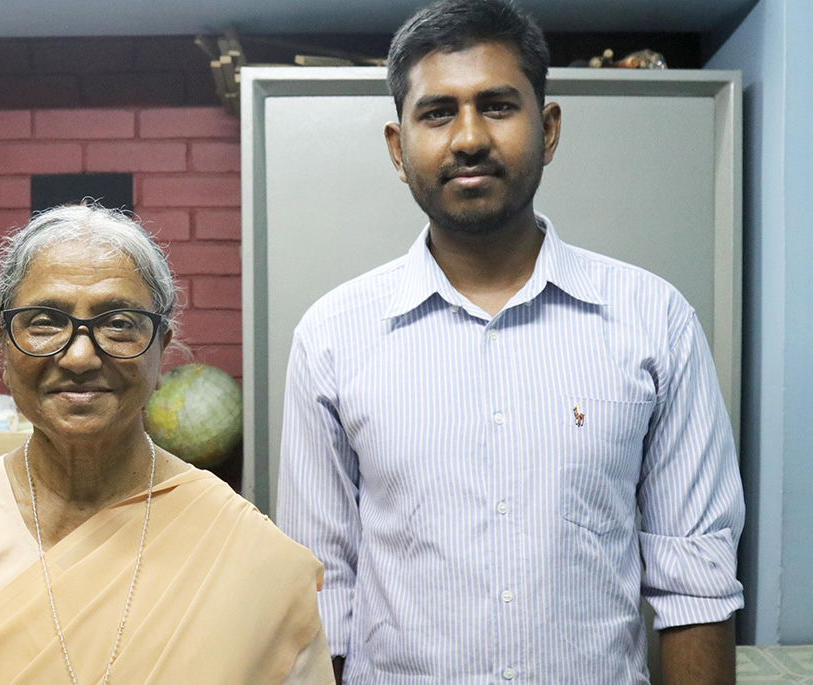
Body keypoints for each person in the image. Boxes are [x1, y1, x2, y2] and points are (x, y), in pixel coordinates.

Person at [276, 1, 745, 683]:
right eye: (437, 113)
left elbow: (695, 581)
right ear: (396, 148)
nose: (468, 138)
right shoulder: (332, 338)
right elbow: (319, 590)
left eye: (497, 106)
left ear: (548, 129)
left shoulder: (654, 320)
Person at [0, 204, 334, 684]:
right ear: (3, 344)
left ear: (161, 347)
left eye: (120, 323)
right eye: (44, 320)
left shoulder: (246, 553)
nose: (81, 355)